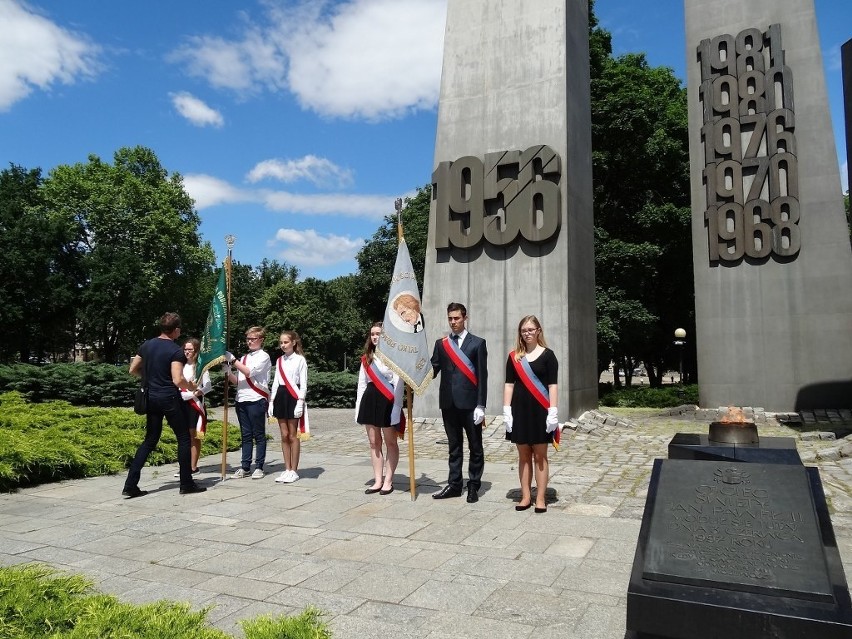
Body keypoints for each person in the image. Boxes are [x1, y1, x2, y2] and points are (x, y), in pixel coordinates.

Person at [123, 312, 206, 497]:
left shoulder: (147, 345)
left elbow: (133, 369)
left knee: (150, 439)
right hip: (169, 397)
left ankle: (130, 484)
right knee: (184, 438)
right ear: (176, 330)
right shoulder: (175, 350)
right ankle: (186, 483)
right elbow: (177, 380)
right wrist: (191, 386)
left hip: (151, 397)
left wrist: (149, 379)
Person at [430, 302, 488, 503]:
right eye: (450, 318)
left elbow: (482, 376)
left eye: (456, 318)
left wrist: (481, 405)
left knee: (475, 446)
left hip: (470, 404)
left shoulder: (478, 343)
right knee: (454, 447)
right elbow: (433, 369)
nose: (453, 322)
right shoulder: (441, 344)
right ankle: (454, 485)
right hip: (448, 403)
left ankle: (473, 485)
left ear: (465, 318)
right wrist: (415, 370)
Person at [503, 315, 559, 513]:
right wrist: (506, 410)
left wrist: (553, 410)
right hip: (520, 411)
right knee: (523, 455)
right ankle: (526, 496)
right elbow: (509, 384)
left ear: (538, 331)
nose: (527, 333)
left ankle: (541, 498)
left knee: (540, 456)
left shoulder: (548, 355)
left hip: (540, 411)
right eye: (524, 330)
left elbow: (552, 385)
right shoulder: (514, 357)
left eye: (530, 329)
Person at [356, 322, 404, 495]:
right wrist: (358, 409)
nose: (375, 337)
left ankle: (389, 480)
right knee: (374, 443)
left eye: (379, 334)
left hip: (388, 400)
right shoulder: (367, 357)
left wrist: (397, 408)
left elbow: (398, 384)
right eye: (373, 334)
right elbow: (362, 384)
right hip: (369, 400)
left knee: (391, 442)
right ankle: (378, 480)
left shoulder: (395, 357)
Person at [225, 327, 271, 479]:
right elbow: (238, 381)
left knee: (258, 434)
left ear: (261, 340)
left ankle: (259, 466)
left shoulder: (264, 356)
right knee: (245, 435)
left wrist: (233, 360)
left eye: (253, 339)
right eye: (248, 339)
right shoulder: (244, 358)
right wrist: (228, 372)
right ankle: (245, 467)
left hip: (256, 398)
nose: (250, 341)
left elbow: (249, 372)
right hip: (241, 399)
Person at [268, 330, 307, 483]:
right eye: (281, 342)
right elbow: (276, 381)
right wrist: (271, 401)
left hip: (294, 396)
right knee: (284, 435)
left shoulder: (300, 360)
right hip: (281, 396)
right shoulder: (279, 361)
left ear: (293, 343)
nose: (283, 345)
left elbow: (303, 383)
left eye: (286, 342)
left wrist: (300, 401)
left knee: (293, 434)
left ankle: (294, 470)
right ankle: (287, 468)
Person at [177, 337, 211, 476]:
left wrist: (194, 394)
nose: (187, 352)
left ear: (196, 351)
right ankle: (183, 467)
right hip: (180, 402)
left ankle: (193, 467)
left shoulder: (201, 367)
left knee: (193, 435)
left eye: (190, 349)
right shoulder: (179, 365)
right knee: (182, 436)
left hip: (194, 403)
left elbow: (208, 386)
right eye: (185, 349)